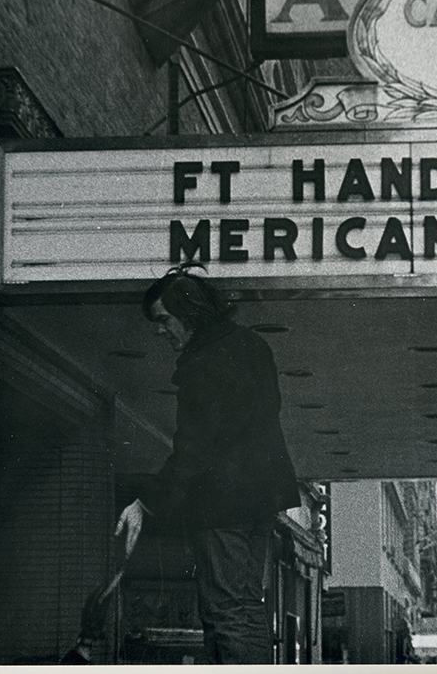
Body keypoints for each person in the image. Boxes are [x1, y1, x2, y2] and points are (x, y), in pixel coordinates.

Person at [113, 266, 302, 663]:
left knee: (226, 611)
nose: (159, 331)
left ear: (190, 312)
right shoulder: (252, 344)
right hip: (261, 500)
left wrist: (145, 503)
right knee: (244, 604)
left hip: (222, 502)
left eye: (164, 320)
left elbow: (193, 448)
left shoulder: (202, 364)